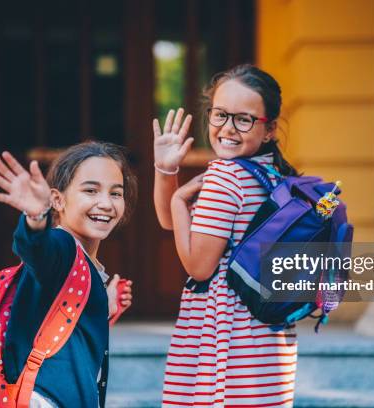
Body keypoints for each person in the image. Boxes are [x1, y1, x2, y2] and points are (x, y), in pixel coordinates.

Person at [153, 64, 299, 407]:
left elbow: (199, 267)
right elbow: (176, 226)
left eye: (243, 119)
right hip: (266, 345)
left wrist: (177, 199)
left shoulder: (226, 178)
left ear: (269, 129)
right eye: (219, 115)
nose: (227, 128)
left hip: (227, 338)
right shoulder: (274, 177)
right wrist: (166, 171)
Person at [0, 141, 136, 407]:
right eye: (91, 190)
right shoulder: (62, 246)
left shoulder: (85, 264)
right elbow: (37, 249)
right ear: (57, 199)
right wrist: (36, 217)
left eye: (116, 193)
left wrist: (103, 304)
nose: (105, 203)